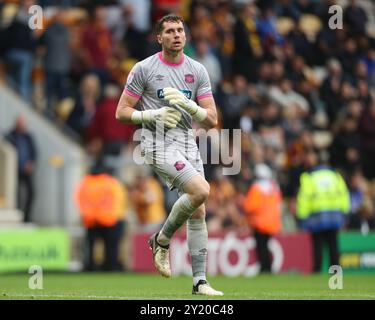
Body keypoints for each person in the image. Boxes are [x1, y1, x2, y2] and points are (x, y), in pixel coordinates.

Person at [115, 14, 223, 296]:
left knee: (198, 208)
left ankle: (199, 282)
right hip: (155, 141)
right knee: (201, 190)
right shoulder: (144, 69)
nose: (177, 35)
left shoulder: (197, 70)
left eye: (180, 30)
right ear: (159, 38)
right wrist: (151, 114)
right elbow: (121, 112)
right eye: (170, 31)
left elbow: (211, 119)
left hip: (187, 142)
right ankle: (162, 240)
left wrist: (191, 106)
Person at [296, 151, 350, 273]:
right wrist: (345, 213)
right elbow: (344, 194)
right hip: (334, 215)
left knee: (317, 245)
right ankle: (335, 272)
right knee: (333, 245)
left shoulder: (309, 177)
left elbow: (304, 197)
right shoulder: (335, 176)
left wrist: (302, 216)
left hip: (317, 216)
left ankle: (317, 270)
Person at [75, 166, 127, 271]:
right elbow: (119, 200)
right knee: (111, 246)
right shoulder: (110, 182)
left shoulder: (85, 183)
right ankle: (110, 266)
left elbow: (79, 199)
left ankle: (90, 266)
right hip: (109, 219)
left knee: (90, 245)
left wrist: (87, 214)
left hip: (91, 219)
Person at [243, 163, 282, 273]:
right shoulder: (274, 187)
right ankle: (268, 267)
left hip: (259, 223)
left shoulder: (256, 188)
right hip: (272, 223)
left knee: (261, 247)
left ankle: (264, 268)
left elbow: (250, 207)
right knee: (266, 246)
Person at [6, 116, 36, 223]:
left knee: (31, 193)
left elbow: (34, 152)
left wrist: (31, 163)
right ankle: (18, 216)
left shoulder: (28, 137)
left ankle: (27, 217)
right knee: (16, 194)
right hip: (14, 171)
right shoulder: (10, 136)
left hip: (27, 170)